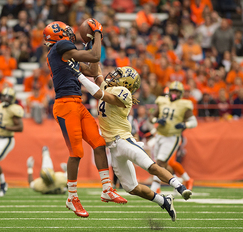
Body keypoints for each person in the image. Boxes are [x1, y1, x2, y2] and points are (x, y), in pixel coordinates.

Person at [66, 62, 192, 222]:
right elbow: (97, 74)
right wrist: (92, 47)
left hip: (124, 141)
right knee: (132, 188)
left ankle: (180, 187)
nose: (113, 75)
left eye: (119, 75)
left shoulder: (124, 92)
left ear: (126, 83)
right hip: (113, 147)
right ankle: (163, 201)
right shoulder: (110, 86)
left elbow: (98, 94)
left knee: (152, 166)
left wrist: (78, 74)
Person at [43, 19, 127, 218]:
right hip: (65, 106)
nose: (71, 34)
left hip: (77, 104)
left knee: (98, 143)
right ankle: (71, 197)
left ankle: (107, 188)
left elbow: (92, 68)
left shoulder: (64, 54)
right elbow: (95, 56)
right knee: (76, 153)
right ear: (59, 36)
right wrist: (97, 33)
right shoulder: (61, 48)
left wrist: (90, 43)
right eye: (67, 31)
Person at [148, 81, 198, 194]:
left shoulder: (183, 105)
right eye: (173, 91)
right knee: (158, 164)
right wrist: (157, 120)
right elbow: (151, 116)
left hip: (172, 137)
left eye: (176, 91)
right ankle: (178, 182)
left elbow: (193, 121)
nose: (174, 93)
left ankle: (154, 189)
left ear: (180, 93)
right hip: (160, 135)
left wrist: (185, 125)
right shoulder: (162, 101)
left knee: (161, 162)